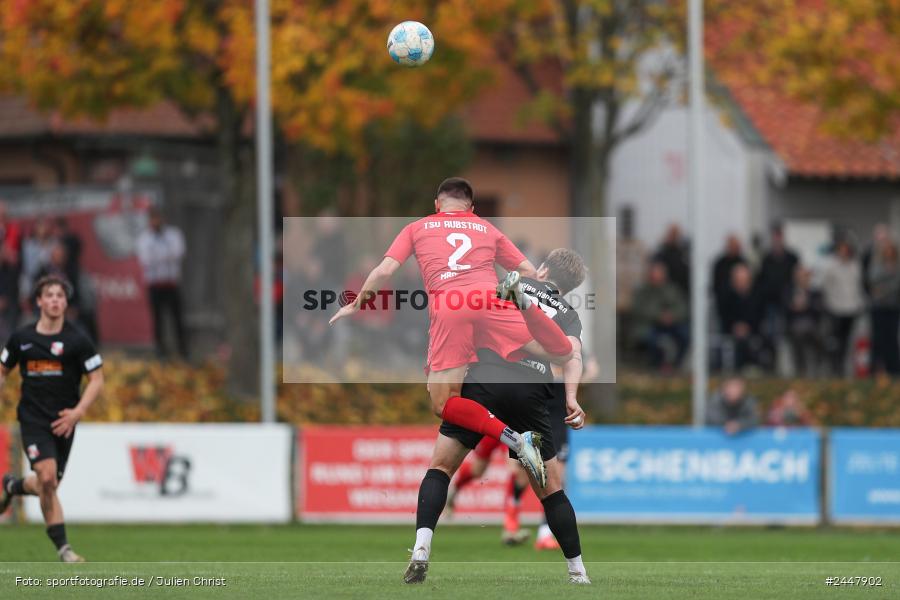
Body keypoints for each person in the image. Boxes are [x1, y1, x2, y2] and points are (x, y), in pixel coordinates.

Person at [330, 178, 574, 487]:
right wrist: (529, 301)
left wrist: (357, 303)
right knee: (556, 352)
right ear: (471, 209)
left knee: (443, 402)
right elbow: (528, 272)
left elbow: (385, 271)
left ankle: (513, 439)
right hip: (494, 304)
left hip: (451, 309)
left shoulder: (416, 228)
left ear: (436, 205)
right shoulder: (487, 228)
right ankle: (564, 358)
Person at [405, 248, 590, 585]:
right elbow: (572, 354)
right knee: (551, 491)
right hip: (530, 391)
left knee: (441, 467)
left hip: (484, 379)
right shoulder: (568, 314)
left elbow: (464, 317)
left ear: (544, 270)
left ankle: (421, 548)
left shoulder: (507, 283)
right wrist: (571, 398)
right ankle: (578, 572)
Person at [0, 274, 104, 562]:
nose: (55, 300)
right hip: (33, 420)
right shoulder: (21, 339)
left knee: (49, 484)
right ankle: (64, 550)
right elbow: (2, 371)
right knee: (46, 476)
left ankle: (13, 486)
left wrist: (78, 412)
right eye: (50, 295)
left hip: (64, 422)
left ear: (65, 302)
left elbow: (97, 379)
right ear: (39, 301)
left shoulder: (77, 340)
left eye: (60, 295)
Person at [136, 207, 189, 360]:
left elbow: (178, 253)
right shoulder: (144, 238)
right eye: (153, 219)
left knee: (177, 318)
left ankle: (183, 349)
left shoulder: (174, 234)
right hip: (155, 285)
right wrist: (165, 255)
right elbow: (146, 260)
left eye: (157, 218)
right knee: (157, 319)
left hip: (171, 283)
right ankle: (160, 351)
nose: (156, 222)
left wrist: (159, 255)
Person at [630, 261, 689, 370]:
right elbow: (640, 309)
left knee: (685, 335)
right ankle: (655, 366)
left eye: (659, 274)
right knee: (652, 341)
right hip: (649, 325)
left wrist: (672, 316)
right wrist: (659, 316)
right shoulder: (643, 291)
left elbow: (682, 308)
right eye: (653, 274)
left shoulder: (672, 290)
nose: (656, 277)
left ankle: (675, 366)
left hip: (672, 324)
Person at [821, 240, 863, 376]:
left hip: (851, 308)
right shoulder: (831, 266)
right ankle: (836, 367)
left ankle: (844, 367)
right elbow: (826, 287)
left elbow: (858, 286)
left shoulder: (855, 266)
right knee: (836, 340)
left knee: (847, 340)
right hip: (836, 308)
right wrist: (830, 303)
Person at [866, 238, 900, 375]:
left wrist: (883, 289)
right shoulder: (875, 265)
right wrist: (889, 280)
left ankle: (894, 370)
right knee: (877, 339)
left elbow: (895, 285)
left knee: (891, 339)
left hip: (893, 307)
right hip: (878, 308)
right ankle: (874, 370)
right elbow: (873, 282)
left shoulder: (897, 266)